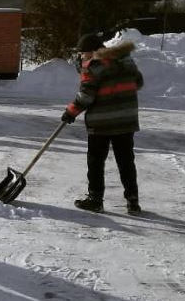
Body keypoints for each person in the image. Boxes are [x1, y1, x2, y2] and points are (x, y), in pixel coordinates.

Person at [62, 33, 144, 215]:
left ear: (92, 52)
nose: (81, 57)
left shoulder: (94, 66)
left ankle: (95, 200)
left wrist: (70, 112)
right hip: (126, 120)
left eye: (82, 53)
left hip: (102, 123)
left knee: (96, 161)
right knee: (126, 161)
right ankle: (133, 201)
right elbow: (138, 82)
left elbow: (86, 96)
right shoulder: (125, 61)